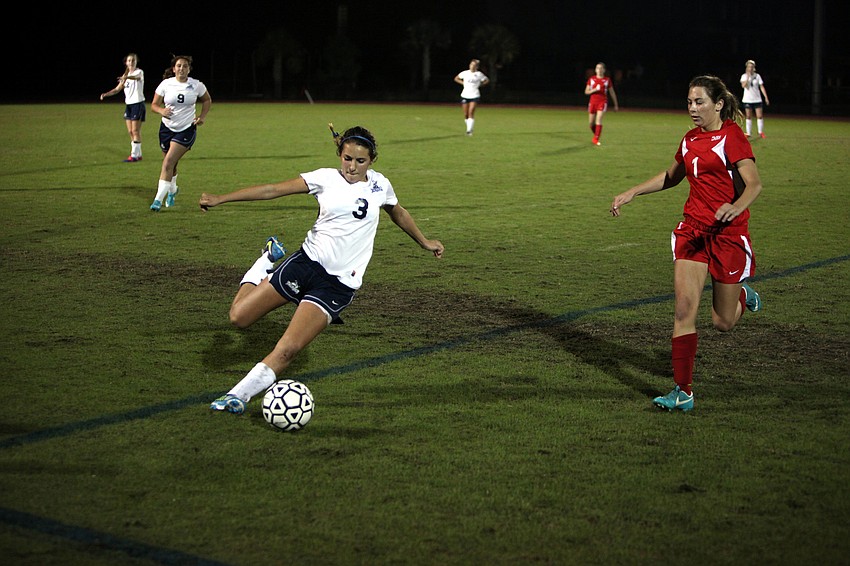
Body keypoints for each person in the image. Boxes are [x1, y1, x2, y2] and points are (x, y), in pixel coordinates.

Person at [199, 125, 445, 415]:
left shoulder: (381, 185)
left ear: (372, 160)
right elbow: (273, 190)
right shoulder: (324, 178)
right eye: (347, 158)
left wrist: (425, 242)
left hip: (337, 286)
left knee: (289, 349)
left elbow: (398, 212)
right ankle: (266, 259)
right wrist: (221, 198)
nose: (352, 167)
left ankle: (238, 396)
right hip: (305, 264)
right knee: (239, 318)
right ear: (339, 155)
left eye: (360, 161)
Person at [609, 75, 763, 412]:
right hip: (692, 232)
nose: (692, 109)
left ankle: (740, 292)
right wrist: (633, 191)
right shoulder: (690, 139)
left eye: (699, 102)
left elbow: (753, 184)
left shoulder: (732, 137)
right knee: (683, 310)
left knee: (723, 323)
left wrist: (735, 207)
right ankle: (683, 391)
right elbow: (672, 176)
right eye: (689, 102)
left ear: (718, 104)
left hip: (728, 236)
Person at [148, 55, 211, 211]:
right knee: (171, 165)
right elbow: (154, 105)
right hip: (166, 129)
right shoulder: (166, 84)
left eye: (185, 66)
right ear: (173, 68)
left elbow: (207, 100)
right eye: (179, 66)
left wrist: (202, 117)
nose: (181, 68)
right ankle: (173, 190)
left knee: (168, 162)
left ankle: (157, 200)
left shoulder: (196, 85)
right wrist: (161, 110)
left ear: (189, 69)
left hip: (186, 129)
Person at [100, 53, 145, 162]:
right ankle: (138, 154)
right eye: (129, 60)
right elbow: (117, 89)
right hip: (129, 105)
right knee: (130, 131)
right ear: (126, 62)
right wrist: (106, 94)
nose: (131, 62)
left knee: (135, 130)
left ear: (136, 62)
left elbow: (136, 78)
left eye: (133, 60)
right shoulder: (125, 77)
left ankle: (134, 155)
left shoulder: (139, 72)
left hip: (138, 104)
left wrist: (126, 77)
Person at [584, 62, 619, 146]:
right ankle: (596, 134)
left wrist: (616, 105)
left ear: (604, 70)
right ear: (595, 70)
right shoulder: (591, 79)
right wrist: (594, 90)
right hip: (593, 102)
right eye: (597, 68)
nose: (599, 70)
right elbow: (586, 92)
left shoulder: (607, 80)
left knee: (598, 120)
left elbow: (612, 92)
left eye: (601, 68)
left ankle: (596, 139)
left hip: (602, 102)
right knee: (591, 124)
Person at [454, 59, 489, 136]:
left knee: (471, 112)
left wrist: (481, 85)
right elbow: (456, 78)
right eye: (471, 64)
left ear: (477, 66)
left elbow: (486, 80)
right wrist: (462, 83)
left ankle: (469, 131)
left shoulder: (479, 74)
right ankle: (469, 127)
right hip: (465, 95)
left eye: (474, 65)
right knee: (466, 114)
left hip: (475, 95)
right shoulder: (465, 73)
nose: (472, 66)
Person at [740, 60, 770, 138]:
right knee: (748, 116)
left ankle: (760, 132)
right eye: (749, 66)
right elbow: (743, 86)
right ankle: (748, 133)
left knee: (759, 116)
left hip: (757, 99)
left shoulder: (757, 76)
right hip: (747, 99)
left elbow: (761, 87)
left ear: (754, 67)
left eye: (752, 66)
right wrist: (747, 77)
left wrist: (766, 97)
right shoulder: (744, 76)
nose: (750, 68)